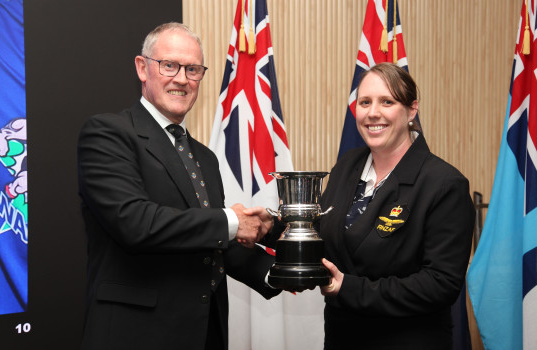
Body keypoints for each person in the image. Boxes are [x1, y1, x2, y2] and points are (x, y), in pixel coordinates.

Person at [77, 22, 278, 350]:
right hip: (135, 335)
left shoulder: (206, 158)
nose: (182, 79)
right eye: (169, 65)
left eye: (193, 69)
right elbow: (136, 223)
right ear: (143, 68)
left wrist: (280, 271)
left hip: (204, 333)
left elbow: (211, 243)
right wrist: (232, 221)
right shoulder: (108, 134)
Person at [317, 63, 475, 349]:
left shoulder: (444, 184)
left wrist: (349, 288)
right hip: (342, 339)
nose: (373, 113)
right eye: (365, 102)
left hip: (407, 340)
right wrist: (266, 225)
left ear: (412, 110)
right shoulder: (346, 167)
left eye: (386, 102)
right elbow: (323, 232)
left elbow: (440, 284)